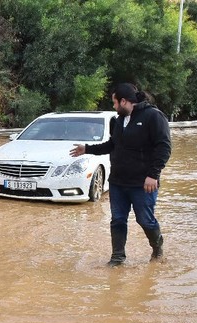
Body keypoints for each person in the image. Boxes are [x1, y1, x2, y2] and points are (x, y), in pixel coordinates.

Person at [69, 83, 172, 266]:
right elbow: (112, 145)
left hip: (143, 182)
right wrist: (87, 149)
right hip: (117, 182)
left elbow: (164, 147)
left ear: (124, 101)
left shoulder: (153, 116)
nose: (114, 107)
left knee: (145, 220)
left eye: (115, 103)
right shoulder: (116, 120)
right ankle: (117, 257)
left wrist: (153, 175)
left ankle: (157, 249)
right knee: (117, 220)